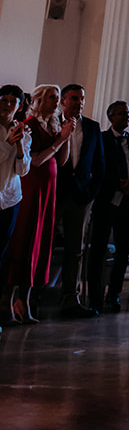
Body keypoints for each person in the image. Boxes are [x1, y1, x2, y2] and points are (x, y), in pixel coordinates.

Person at [6, 85, 75, 323]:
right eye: (52, 97)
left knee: (39, 242)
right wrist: (59, 141)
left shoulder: (53, 125)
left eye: (58, 98)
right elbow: (34, 161)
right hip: (31, 188)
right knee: (23, 241)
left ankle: (24, 302)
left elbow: (62, 161)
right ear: (38, 100)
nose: (57, 101)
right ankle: (8, 302)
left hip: (49, 189)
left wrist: (66, 137)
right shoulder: (29, 124)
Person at [55, 83, 106, 318]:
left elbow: (99, 164)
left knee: (75, 250)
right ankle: (32, 296)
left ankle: (70, 299)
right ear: (63, 101)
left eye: (82, 98)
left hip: (81, 196)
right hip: (55, 193)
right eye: (74, 98)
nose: (79, 102)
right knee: (44, 244)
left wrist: (91, 193)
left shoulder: (93, 127)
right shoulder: (52, 123)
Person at [87, 102, 129, 313]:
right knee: (98, 250)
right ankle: (95, 296)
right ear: (111, 117)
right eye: (122, 114)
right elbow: (98, 167)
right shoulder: (102, 138)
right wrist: (117, 183)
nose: (127, 117)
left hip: (127, 202)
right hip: (106, 200)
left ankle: (114, 293)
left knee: (123, 249)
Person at [0, 85, 31, 281]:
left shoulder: (23, 132)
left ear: (19, 107)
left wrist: (19, 145)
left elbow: (22, 170)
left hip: (10, 200)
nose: (8, 105)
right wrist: (8, 143)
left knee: (2, 250)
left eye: (13, 102)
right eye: (4, 100)